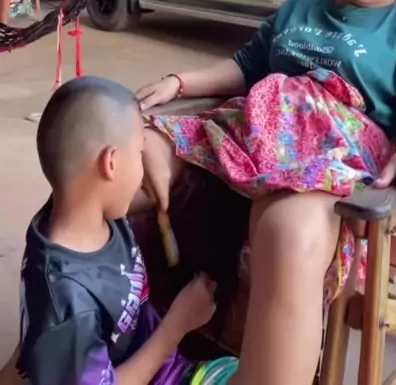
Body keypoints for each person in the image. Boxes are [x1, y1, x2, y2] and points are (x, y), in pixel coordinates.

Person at [136, 0, 396, 385]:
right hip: (252, 136)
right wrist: (180, 81)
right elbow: (248, 65)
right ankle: (105, 333)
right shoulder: (299, 10)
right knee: (133, 152)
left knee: (287, 229)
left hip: (327, 161)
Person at [16, 76, 239, 385]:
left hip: (161, 363)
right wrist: (178, 325)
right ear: (111, 163)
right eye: (140, 153)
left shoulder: (84, 214)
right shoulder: (69, 304)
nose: (143, 167)